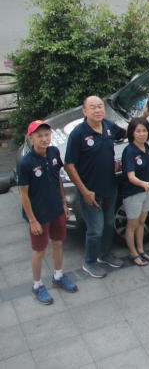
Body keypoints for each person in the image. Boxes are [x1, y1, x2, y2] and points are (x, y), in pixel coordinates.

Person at [65, 95, 145, 279]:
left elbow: (124, 133)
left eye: (100, 106)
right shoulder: (78, 134)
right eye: (93, 107)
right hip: (90, 192)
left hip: (109, 187)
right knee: (95, 229)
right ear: (84, 111)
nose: (98, 110)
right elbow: (69, 165)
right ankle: (90, 261)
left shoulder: (107, 126)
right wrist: (84, 191)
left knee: (109, 223)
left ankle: (105, 254)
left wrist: (143, 115)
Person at [18, 120, 78, 304]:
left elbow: (57, 179)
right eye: (39, 136)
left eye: (46, 135)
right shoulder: (26, 163)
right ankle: (37, 286)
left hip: (56, 210)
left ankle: (58, 277)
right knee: (39, 251)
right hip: (39, 215)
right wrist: (32, 220)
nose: (44, 139)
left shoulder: (53, 152)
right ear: (31, 138)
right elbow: (24, 195)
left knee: (58, 243)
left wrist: (64, 205)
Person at [121, 118, 149, 266]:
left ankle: (141, 250)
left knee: (141, 222)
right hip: (134, 193)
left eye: (144, 131)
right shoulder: (129, 151)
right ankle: (133, 253)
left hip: (146, 192)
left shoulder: (146, 147)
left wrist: (148, 188)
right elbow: (131, 176)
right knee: (132, 225)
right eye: (138, 131)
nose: (142, 134)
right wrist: (144, 185)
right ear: (132, 133)